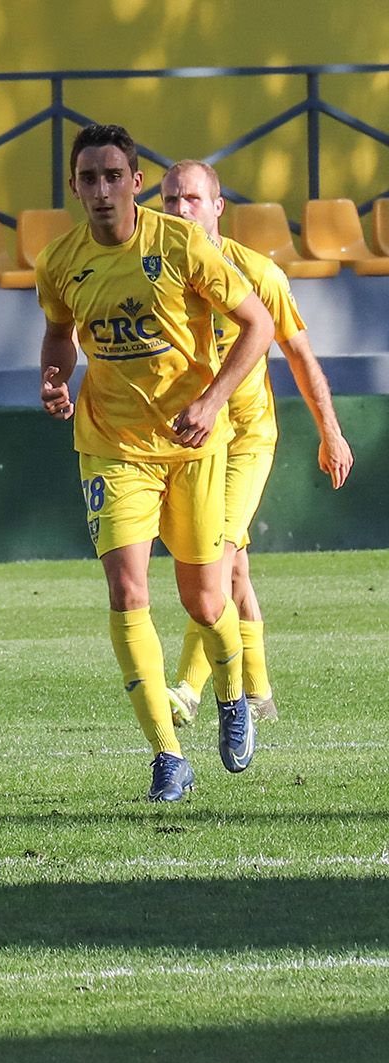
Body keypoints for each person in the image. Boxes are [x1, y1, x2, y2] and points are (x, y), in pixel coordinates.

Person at [36, 123, 274, 802]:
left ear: (137, 182)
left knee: (205, 596)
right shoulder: (58, 262)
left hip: (193, 443)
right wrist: (54, 379)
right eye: (89, 178)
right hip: (111, 445)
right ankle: (167, 756)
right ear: (75, 187)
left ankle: (230, 691)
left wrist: (212, 399)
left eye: (115, 176)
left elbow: (257, 324)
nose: (103, 190)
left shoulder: (180, 244)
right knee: (127, 591)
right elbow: (59, 337)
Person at [156, 159, 355, 724]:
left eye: (192, 199)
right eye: (170, 200)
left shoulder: (259, 275)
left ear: (218, 207)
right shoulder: (154, 275)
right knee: (236, 570)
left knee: (214, 558)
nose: (179, 210)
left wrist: (330, 432)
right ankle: (260, 692)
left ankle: (190, 691)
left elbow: (300, 358)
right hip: (192, 439)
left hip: (245, 436)